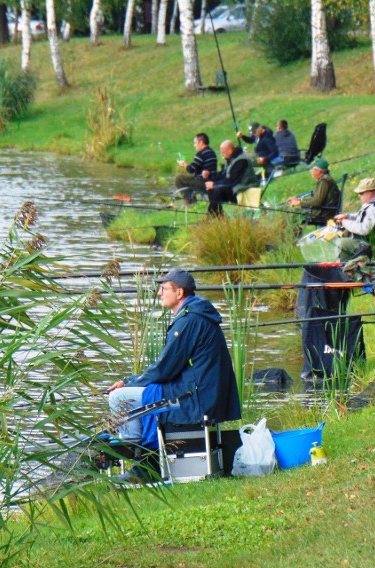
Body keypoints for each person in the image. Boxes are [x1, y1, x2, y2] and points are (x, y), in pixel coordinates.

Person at [106, 269, 241, 483]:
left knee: (120, 397)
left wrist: (127, 382)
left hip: (194, 397)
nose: (159, 293)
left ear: (179, 293)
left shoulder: (189, 320)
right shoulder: (196, 314)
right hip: (202, 392)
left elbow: (164, 369)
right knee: (137, 394)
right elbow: (169, 367)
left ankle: (143, 461)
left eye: (164, 288)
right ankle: (144, 459)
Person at [333, 177, 375, 251]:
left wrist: (345, 222)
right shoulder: (374, 204)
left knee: (341, 243)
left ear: (369, 193)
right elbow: (362, 216)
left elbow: (364, 229)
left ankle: (343, 262)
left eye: (361, 193)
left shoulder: (374, 208)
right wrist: (347, 216)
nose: (359, 196)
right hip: (369, 240)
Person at [205, 139, 259, 216]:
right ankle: (216, 215)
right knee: (212, 189)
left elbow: (232, 181)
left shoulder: (240, 161)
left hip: (245, 188)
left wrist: (214, 185)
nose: (221, 154)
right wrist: (210, 176)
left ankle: (213, 216)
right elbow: (223, 175)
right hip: (236, 187)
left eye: (223, 152)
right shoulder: (231, 159)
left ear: (230, 151)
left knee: (217, 190)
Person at [287, 157, 341, 226]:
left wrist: (299, 203)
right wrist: (299, 200)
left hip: (323, 213)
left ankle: (296, 236)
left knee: (293, 214)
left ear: (319, 171)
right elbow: (316, 199)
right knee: (294, 212)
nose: (310, 171)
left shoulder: (324, 181)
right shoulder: (325, 179)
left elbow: (317, 201)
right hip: (323, 211)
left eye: (312, 169)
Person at [173, 133, 217, 203]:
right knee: (189, 179)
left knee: (179, 178)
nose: (194, 145)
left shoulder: (201, 154)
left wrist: (184, 164)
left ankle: (190, 201)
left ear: (201, 143)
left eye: (195, 143)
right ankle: (191, 199)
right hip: (213, 181)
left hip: (203, 182)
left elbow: (191, 170)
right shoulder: (212, 152)